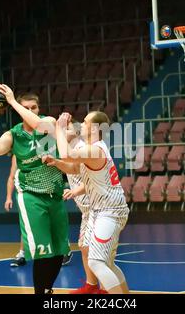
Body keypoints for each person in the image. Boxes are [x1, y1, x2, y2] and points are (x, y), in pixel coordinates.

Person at [0, 86, 70, 294]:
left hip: (55, 195)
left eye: (33, 107)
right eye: (26, 108)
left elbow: (39, 126)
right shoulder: (14, 134)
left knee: (60, 251)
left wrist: (13, 102)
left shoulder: (48, 122)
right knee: (43, 252)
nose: (30, 110)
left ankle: (47, 289)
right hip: (31, 196)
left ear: (39, 109)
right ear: (19, 110)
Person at [53, 111, 130, 294]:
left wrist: (59, 128)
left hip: (110, 211)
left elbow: (66, 154)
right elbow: (72, 167)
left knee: (96, 262)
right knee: (107, 263)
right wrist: (54, 162)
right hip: (103, 211)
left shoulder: (95, 149)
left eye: (86, 122)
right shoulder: (92, 148)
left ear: (95, 128)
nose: (82, 125)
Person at [43, 120, 103, 293]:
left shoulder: (83, 148)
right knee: (84, 247)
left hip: (98, 206)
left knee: (98, 251)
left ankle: (105, 289)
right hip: (87, 210)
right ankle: (91, 285)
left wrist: (75, 191)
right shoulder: (70, 150)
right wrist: (55, 163)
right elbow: (73, 169)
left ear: (76, 132)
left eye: (67, 129)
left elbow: (93, 179)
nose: (62, 131)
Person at [6, 153, 73, 268]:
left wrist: (65, 186)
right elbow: (12, 176)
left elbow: (65, 169)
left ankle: (64, 250)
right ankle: (22, 253)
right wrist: (8, 197)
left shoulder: (47, 147)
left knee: (55, 223)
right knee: (29, 225)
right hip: (30, 193)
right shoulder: (18, 155)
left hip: (50, 191)